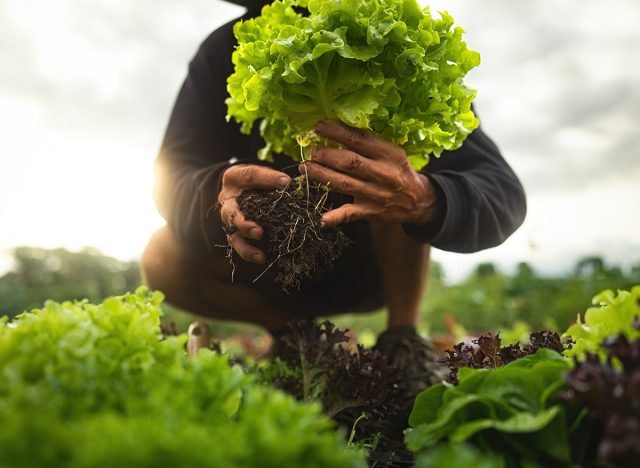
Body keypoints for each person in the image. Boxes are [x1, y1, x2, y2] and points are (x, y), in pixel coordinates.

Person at [142, 3, 527, 397]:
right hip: (271, 264)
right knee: (160, 258)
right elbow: (172, 174)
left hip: (376, 266)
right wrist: (216, 193)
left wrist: (425, 199)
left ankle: (403, 339)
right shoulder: (227, 49)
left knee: (394, 165)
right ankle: (296, 337)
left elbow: (502, 192)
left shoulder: (392, 33)